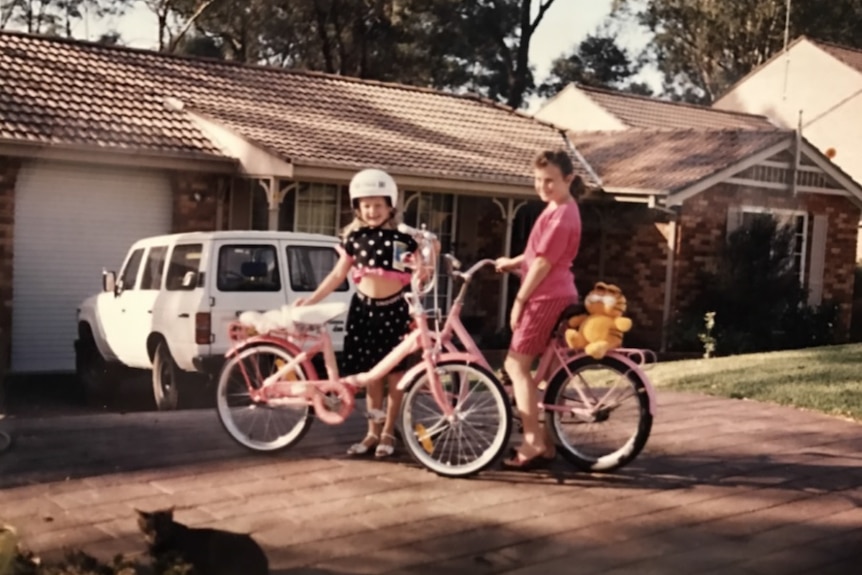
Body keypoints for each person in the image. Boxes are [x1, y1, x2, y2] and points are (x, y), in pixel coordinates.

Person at [295, 168, 418, 459]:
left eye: (378, 205)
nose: (373, 211)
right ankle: (372, 431)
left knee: (395, 378)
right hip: (364, 312)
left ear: (390, 206)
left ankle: (389, 430)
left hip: (395, 312)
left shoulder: (401, 239)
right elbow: (338, 275)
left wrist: (429, 253)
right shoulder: (355, 239)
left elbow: (416, 274)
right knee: (370, 378)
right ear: (357, 209)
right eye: (366, 205)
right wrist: (312, 300)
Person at [494, 149, 582, 470]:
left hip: (547, 297)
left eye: (550, 181)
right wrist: (511, 262)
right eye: (538, 180)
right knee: (543, 372)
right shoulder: (556, 208)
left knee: (516, 366)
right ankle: (545, 441)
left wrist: (519, 301)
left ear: (568, 179)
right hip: (554, 291)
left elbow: (544, 264)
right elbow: (538, 254)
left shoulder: (562, 216)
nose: (543, 187)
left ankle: (531, 441)